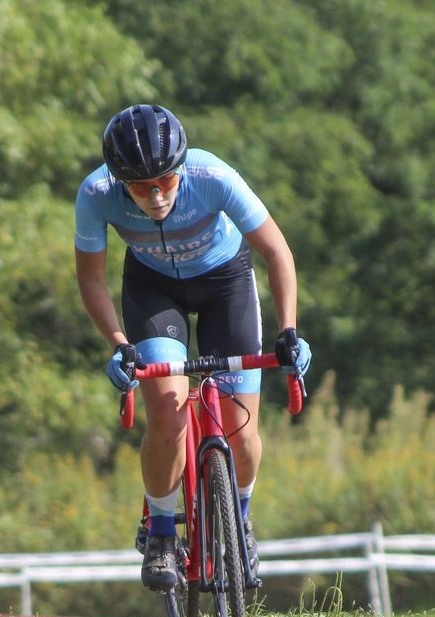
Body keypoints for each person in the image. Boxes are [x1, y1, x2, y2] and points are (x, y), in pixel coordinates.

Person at [74, 104, 312, 591]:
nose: (157, 195)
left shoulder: (212, 175)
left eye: (166, 180)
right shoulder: (96, 194)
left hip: (225, 281)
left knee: (242, 432)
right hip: (153, 289)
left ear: (182, 168)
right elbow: (91, 279)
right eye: (141, 186)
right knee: (166, 409)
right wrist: (120, 344)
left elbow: (276, 252)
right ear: (120, 181)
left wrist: (288, 330)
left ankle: (238, 519)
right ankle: (162, 531)